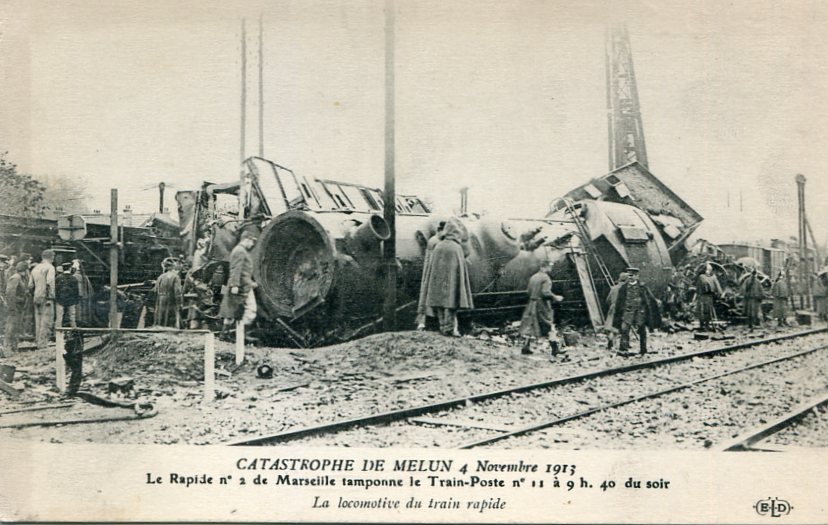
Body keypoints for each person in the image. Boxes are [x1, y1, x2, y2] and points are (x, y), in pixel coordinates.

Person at [420, 218, 474, 336]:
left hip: (439, 283)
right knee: (451, 303)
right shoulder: (456, 248)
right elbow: (460, 268)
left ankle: (442, 326)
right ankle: (449, 328)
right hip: (452, 284)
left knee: (439, 301)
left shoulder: (438, 246)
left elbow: (432, 267)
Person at [612, 267, 661, 356]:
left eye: (632, 275)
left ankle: (643, 349)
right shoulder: (623, 288)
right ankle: (623, 349)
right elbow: (619, 302)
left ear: (637, 276)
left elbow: (649, 299)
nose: (630, 277)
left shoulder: (642, 287)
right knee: (624, 329)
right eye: (629, 275)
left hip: (639, 313)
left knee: (642, 330)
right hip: (627, 313)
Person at [518, 260, 564, 356]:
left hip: (532, 304)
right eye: (549, 267)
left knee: (531, 325)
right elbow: (546, 292)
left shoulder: (533, 277)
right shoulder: (545, 278)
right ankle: (555, 349)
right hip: (542, 305)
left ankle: (525, 347)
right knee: (549, 324)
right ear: (544, 267)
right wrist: (556, 297)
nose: (550, 269)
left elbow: (528, 291)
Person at [219, 230, 258, 339]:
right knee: (251, 309)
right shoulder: (240, 251)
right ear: (246, 239)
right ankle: (241, 335)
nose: (252, 245)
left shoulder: (240, 250)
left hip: (243, 284)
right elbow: (236, 269)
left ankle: (225, 335)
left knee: (232, 312)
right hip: (242, 286)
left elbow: (243, 271)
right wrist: (235, 285)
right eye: (252, 242)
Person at [416, 220, 446, 330]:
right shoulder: (435, 242)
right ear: (440, 230)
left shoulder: (434, 241)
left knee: (427, 296)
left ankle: (424, 322)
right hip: (433, 273)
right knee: (429, 297)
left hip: (431, 272)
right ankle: (427, 323)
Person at [30, 249, 56, 349]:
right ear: (51, 257)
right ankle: (43, 344)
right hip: (46, 297)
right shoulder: (50, 267)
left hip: (36, 296)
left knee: (38, 320)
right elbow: (50, 282)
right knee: (47, 321)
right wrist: (51, 296)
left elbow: (30, 285)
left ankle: (38, 341)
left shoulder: (35, 268)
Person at [3, 262, 29, 355]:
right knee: (11, 327)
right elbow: (10, 293)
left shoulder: (20, 278)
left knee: (16, 327)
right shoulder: (15, 278)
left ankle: (14, 347)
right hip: (15, 307)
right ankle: (7, 347)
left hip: (19, 306)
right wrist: (12, 307)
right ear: (24, 270)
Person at [154, 258, 183, 328]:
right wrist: (180, 303)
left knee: (161, 319)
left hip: (160, 300)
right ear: (173, 267)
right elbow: (177, 292)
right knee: (171, 320)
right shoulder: (176, 277)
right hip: (170, 300)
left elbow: (155, 290)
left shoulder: (160, 277)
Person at [604, 271, 628, 351]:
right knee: (624, 327)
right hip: (623, 309)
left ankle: (611, 341)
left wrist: (612, 305)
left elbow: (607, 300)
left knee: (612, 327)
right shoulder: (626, 289)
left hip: (613, 308)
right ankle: (624, 345)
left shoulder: (614, 288)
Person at [695, 263, 722, 331]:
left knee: (708, 311)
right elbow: (698, 287)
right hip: (702, 296)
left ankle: (706, 325)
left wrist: (719, 294)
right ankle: (702, 325)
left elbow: (717, 286)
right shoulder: (701, 277)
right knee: (702, 310)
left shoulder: (713, 277)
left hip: (709, 296)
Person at [55, 262, 80, 328]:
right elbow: (76, 291)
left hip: (60, 300)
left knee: (59, 318)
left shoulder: (58, 278)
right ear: (69, 268)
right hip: (71, 301)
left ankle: (58, 334)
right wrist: (76, 301)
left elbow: (56, 289)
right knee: (72, 317)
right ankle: (74, 332)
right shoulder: (74, 278)